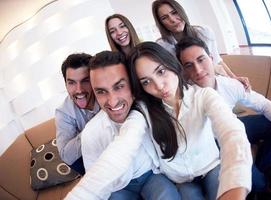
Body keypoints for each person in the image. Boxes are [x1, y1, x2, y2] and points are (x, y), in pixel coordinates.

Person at [128, 41, 252, 200]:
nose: (159, 86)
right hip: (180, 180)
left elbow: (232, 132)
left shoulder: (203, 96)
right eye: (146, 81)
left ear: (172, 64)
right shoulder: (144, 111)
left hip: (210, 167)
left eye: (161, 71)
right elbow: (125, 141)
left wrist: (236, 186)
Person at [175, 36, 271, 196]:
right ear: (184, 71)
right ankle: (261, 185)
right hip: (213, 141)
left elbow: (264, 104)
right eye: (189, 65)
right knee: (259, 184)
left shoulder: (228, 84)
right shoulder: (185, 97)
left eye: (201, 60)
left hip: (234, 126)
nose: (198, 70)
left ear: (211, 58)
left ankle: (262, 168)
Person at [65, 51, 180, 200]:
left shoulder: (148, 107)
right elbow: (97, 180)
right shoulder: (90, 133)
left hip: (152, 176)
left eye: (119, 87)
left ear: (132, 84)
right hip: (118, 188)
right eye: (101, 92)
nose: (112, 101)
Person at [151, 0, 250, 89]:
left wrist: (234, 78)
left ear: (181, 11)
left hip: (216, 80)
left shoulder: (204, 32)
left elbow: (217, 61)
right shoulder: (162, 46)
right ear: (161, 23)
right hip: (192, 88)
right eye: (164, 18)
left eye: (174, 12)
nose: (172, 19)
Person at [55, 53, 100, 175]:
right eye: (72, 83)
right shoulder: (63, 112)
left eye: (85, 81)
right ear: (66, 85)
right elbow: (66, 155)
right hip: (98, 168)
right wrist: (97, 124)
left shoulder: (106, 94)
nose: (79, 90)